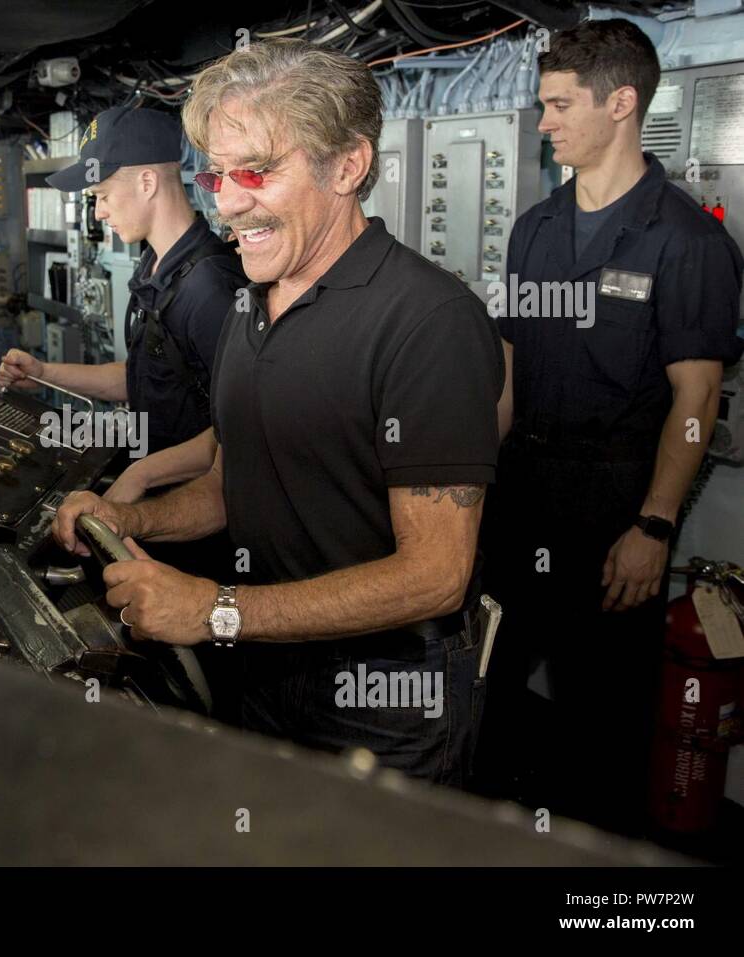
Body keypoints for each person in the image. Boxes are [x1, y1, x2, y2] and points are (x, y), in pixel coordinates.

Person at [53, 39, 503, 786]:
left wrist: (217, 610)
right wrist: (128, 520)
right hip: (266, 668)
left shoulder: (427, 321)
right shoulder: (249, 303)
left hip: (382, 696)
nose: (227, 203)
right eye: (217, 175)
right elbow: (235, 486)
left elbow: (435, 574)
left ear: (347, 165)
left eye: (257, 171)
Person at [479, 19, 744, 834]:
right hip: (521, 498)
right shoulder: (534, 228)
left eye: (559, 105)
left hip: (614, 511)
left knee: (603, 725)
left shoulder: (687, 240)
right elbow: (508, 373)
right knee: (487, 696)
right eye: (542, 104)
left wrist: (655, 524)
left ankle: (607, 893)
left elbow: (696, 402)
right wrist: (473, 486)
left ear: (621, 103)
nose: (544, 122)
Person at [0, 105, 246, 460]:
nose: (98, 212)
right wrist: (45, 373)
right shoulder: (154, 266)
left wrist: (140, 480)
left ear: (147, 183)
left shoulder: (211, 288)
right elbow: (141, 381)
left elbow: (238, 436)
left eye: (102, 195)